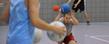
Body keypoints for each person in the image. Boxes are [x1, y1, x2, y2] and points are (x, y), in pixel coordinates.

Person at [0, 0, 66, 44]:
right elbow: (35, 21)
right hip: (23, 40)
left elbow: (4, 18)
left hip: (11, 39)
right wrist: (55, 28)